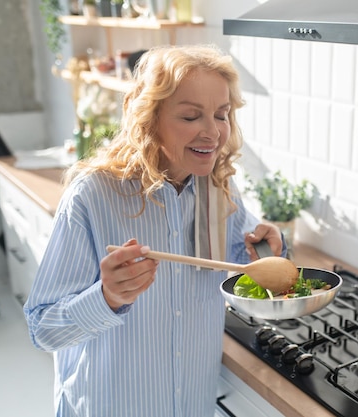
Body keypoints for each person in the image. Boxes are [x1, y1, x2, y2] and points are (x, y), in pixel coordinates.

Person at [24, 44, 285, 417]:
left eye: (221, 114)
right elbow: (42, 329)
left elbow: (243, 259)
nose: (212, 132)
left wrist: (265, 249)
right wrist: (108, 297)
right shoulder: (94, 196)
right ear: (150, 117)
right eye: (191, 117)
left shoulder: (219, 186)